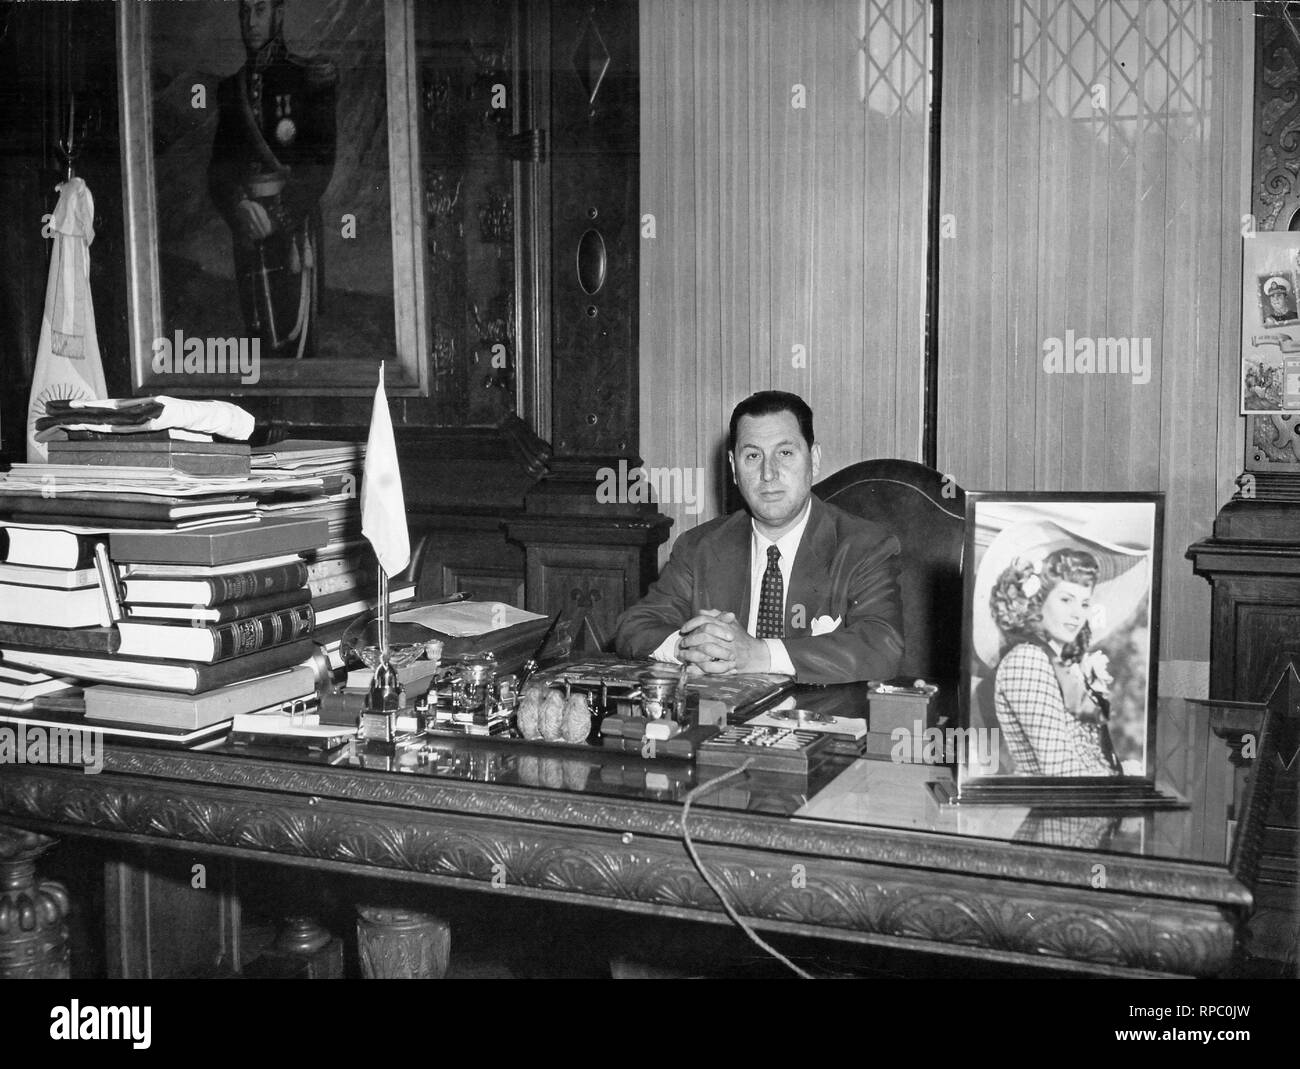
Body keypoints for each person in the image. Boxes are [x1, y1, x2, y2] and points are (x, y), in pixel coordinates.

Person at [613, 391, 904, 685]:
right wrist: (690, 647)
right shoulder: (699, 547)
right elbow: (633, 627)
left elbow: (882, 645)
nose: (768, 473)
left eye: (785, 453)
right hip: (721, 719)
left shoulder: (864, 546)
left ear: (814, 460)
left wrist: (760, 654)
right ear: (734, 468)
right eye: (753, 456)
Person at [208, 0, 337, 359]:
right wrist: (239, 206)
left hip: (291, 233)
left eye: (260, 10)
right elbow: (218, 170)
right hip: (248, 231)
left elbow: (320, 164)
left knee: (294, 349)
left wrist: (277, 218)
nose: (250, 22)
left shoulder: (306, 78)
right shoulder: (231, 89)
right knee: (258, 345)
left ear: (279, 14)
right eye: (244, 12)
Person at [986, 548, 1121, 776]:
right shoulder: (1027, 661)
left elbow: (1087, 756)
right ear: (1038, 602)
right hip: (1063, 808)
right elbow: (1061, 770)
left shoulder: (1058, 664)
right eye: (1066, 599)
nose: (1077, 614)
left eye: (1085, 604)